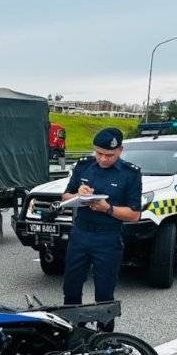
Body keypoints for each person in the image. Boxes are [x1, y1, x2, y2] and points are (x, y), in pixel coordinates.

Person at [61, 127, 142, 327]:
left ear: (120, 151)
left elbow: (134, 214)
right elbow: (65, 196)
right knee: (71, 288)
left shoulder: (130, 174)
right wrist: (78, 195)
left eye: (109, 155)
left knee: (104, 292)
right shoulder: (84, 166)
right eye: (99, 153)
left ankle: (105, 339)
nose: (104, 159)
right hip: (80, 234)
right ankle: (74, 334)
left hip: (107, 238)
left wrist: (108, 208)